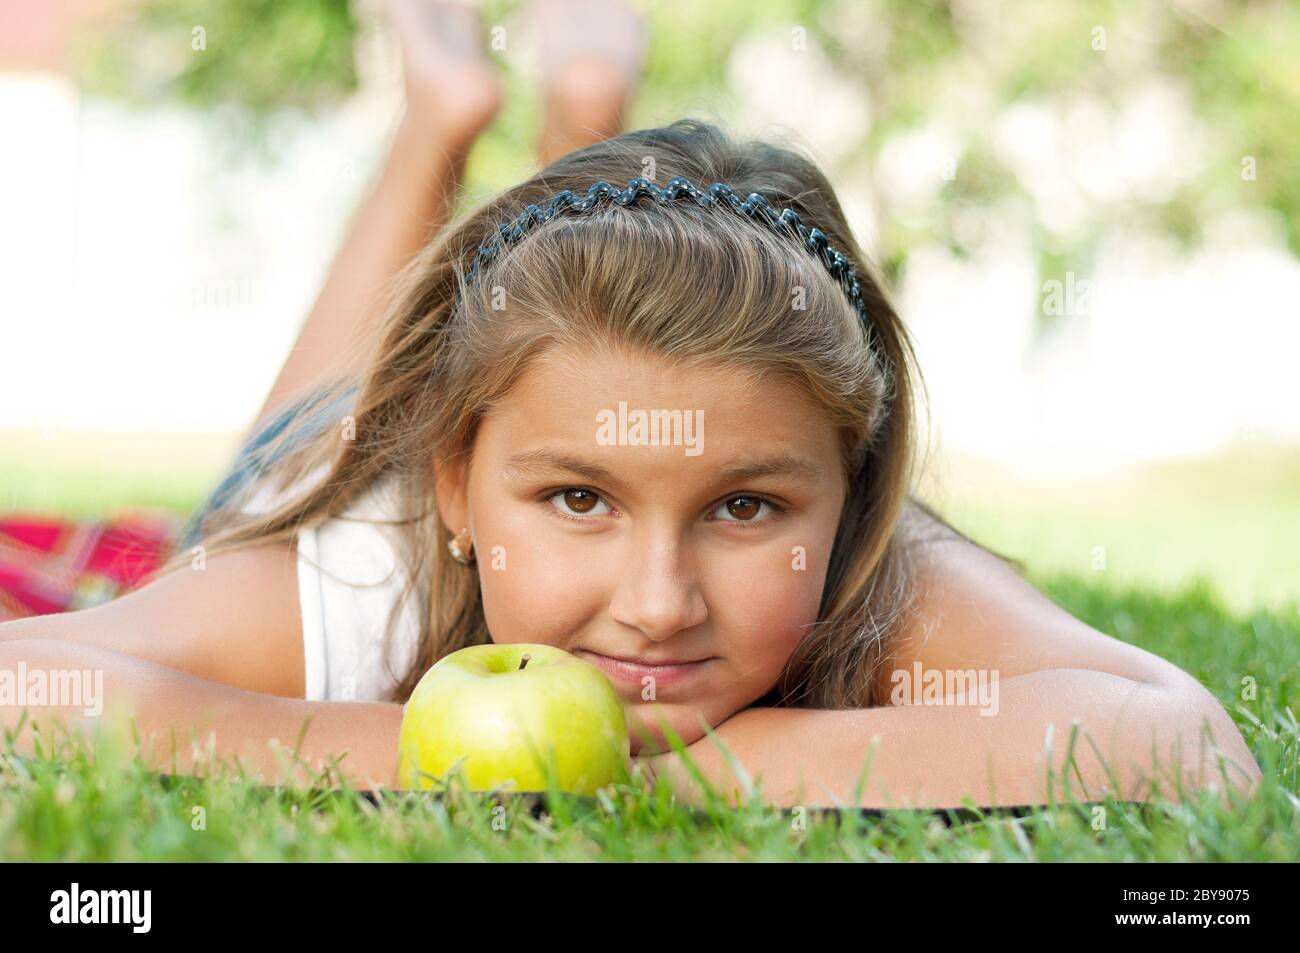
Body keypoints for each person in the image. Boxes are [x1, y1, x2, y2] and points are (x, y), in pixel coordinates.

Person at [0, 0, 1261, 809]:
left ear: (853, 484)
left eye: (746, 505)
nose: (658, 605)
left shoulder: (873, 566)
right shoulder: (352, 576)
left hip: (492, 405)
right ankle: (435, 120)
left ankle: (575, 122)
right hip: (323, 465)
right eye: (578, 498)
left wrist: (693, 774)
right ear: (456, 486)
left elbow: (1177, 737)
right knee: (294, 445)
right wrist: (418, 750)